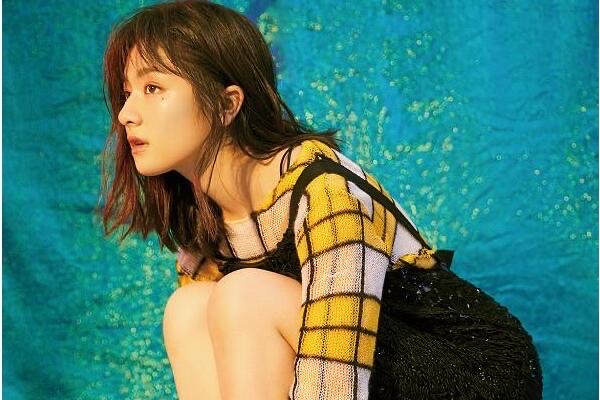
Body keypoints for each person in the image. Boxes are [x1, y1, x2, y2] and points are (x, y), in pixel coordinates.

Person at [98, 1, 543, 399]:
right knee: (188, 310)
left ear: (227, 104)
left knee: (244, 295)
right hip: (366, 367)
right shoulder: (202, 219)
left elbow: (335, 385)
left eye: (153, 88)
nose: (126, 114)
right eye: (126, 92)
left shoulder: (323, 191)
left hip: (469, 374)